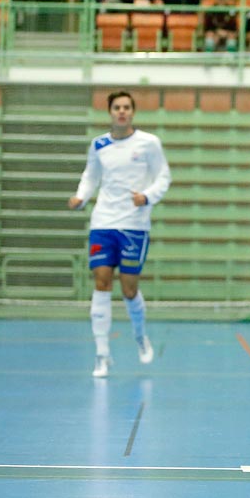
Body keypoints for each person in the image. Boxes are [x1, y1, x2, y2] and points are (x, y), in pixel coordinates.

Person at [67, 91, 171, 378]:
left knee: (128, 289)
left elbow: (164, 176)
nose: (121, 112)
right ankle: (102, 355)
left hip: (134, 225)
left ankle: (140, 336)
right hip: (103, 222)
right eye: (116, 107)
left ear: (133, 112)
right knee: (101, 282)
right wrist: (81, 197)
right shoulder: (99, 145)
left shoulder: (149, 144)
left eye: (126, 107)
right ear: (110, 112)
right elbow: (91, 176)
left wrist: (148, 196)